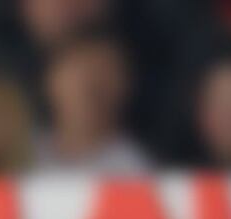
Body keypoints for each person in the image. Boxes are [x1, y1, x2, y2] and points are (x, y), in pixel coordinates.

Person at [32, 29, 147, 172]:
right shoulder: (21, 151)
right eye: (78, 75)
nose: (89, 90)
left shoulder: (132, 166)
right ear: (50, 81)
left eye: (104, 75)